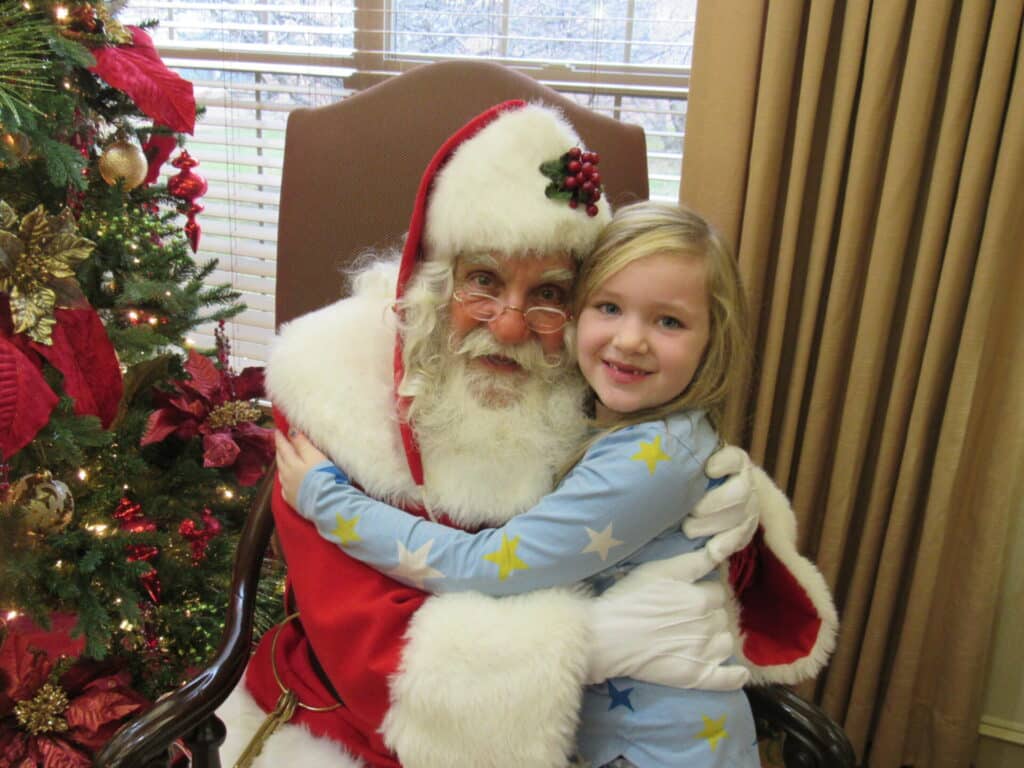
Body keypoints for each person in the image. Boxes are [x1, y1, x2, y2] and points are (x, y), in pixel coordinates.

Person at [218, 101, 837, 768]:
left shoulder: (601, 395)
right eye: (483, 280)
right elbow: (363, 640)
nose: (511, 327)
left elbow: (651, 532)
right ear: (434, 281)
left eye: (549, 294)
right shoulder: (334, 398)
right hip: (390, 722)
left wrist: (735, 519)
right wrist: (588, 642)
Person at [275, 201, 765, 767]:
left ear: (713, 339)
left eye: (669, 321)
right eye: (609, 307)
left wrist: (326, 498)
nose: (631, 340)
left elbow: (487, 564)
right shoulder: (621, 419)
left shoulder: (652, 456)